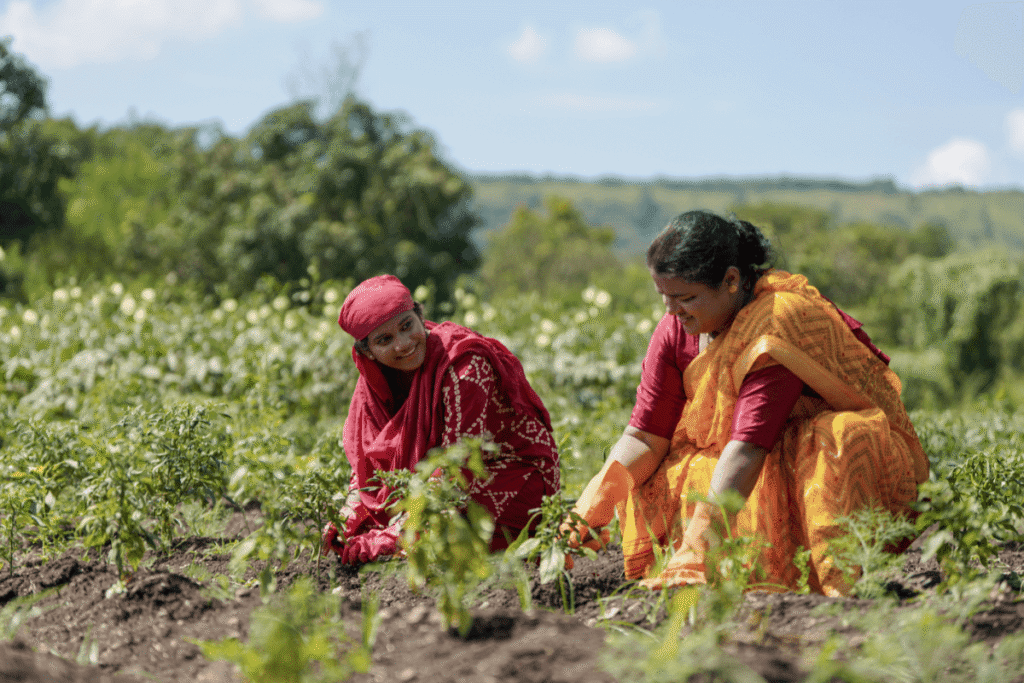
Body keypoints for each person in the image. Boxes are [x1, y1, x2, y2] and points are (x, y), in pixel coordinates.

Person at [565, 210, 929, 596]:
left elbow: (749, 445)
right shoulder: (676, 329)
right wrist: (590, 508)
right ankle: (698, 575)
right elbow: (645, 435)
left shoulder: (776, 323)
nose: (672, 312)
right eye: (664, 298)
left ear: (731, 281)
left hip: (795, 459)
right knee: (664, 473)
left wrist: (697, 548)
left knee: (839, 436)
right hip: (744, 460)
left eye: (686, 298)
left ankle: (831, 585)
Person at [322, 274, 561, 565]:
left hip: (506, 473)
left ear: (420, 316)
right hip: (433, 485)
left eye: (407, 326)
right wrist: (346, 518)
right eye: (385, 340)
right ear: (367, 351)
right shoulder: (372, 385)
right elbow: (367, 469)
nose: (403, 345)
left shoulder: (464, 368)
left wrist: (390, 537)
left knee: (430, 546)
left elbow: (457, 470)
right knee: (360, 533)